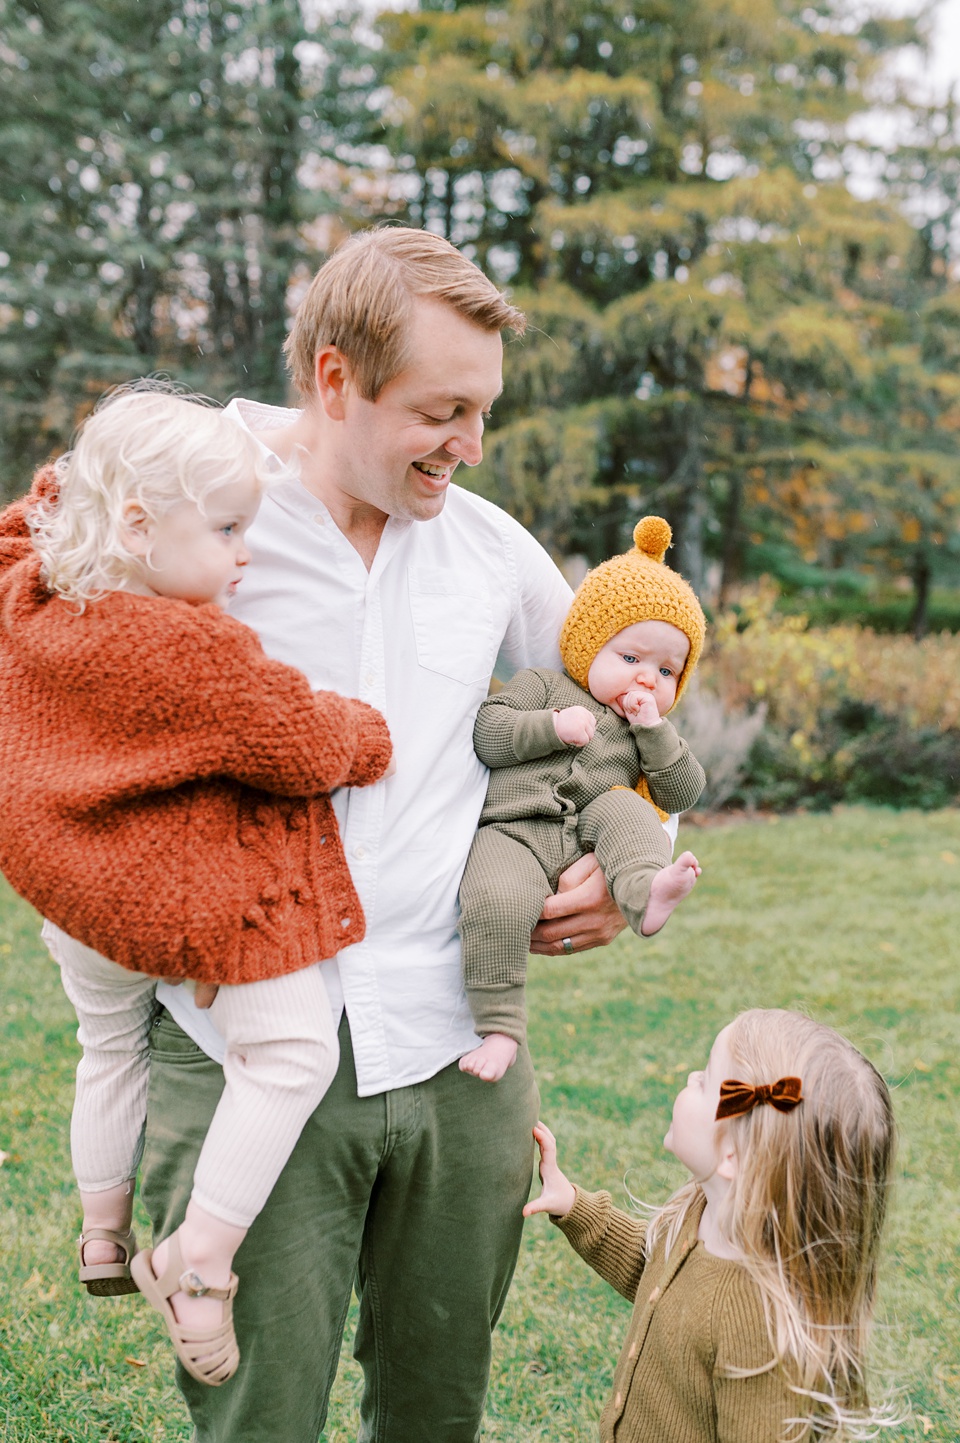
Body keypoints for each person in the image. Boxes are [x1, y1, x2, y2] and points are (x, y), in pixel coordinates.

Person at [126, 227, 627, 1442]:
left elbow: (624, 709)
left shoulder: (491, 548)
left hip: (461, 1052)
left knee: (436, 1410)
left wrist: (620, 851)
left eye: (483, 411)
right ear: (336, 377)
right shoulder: (184, 514)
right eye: (441, 409)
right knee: (259, 1418)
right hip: (240, 1044)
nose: (467, 443)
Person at [0, 386, 393, 1387]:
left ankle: (100, 1227)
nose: (243, 554)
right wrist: (365, 732)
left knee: (107, 1040)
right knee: (293, 1053)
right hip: (163, 900)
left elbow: (24, 518)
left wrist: (88, 477)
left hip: (71, 901)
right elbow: (297, 745)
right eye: (225, 529)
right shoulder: (193, 649)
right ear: (137, 524)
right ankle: (200, 1261)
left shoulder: (30, 589)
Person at [524, 1008, 897, 1442]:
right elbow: (652, 1273)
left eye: (703, 1081)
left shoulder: (758, 1329)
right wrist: (573, 1204)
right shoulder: (700, 1215)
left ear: (733, 1157)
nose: (689, 1079)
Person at [458, 515, 707, 1082]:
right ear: (588, 645)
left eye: (666, 670)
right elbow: (489, 733)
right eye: (631, 659)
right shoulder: (544, 687)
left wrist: (655, 734)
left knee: (630, 810)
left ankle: (648, 891)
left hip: (589, 828)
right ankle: (499, 1025)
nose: (646, 680)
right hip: (515, 829)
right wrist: (550, 727)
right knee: (494, 898)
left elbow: (683, 791)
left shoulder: (647, 734)